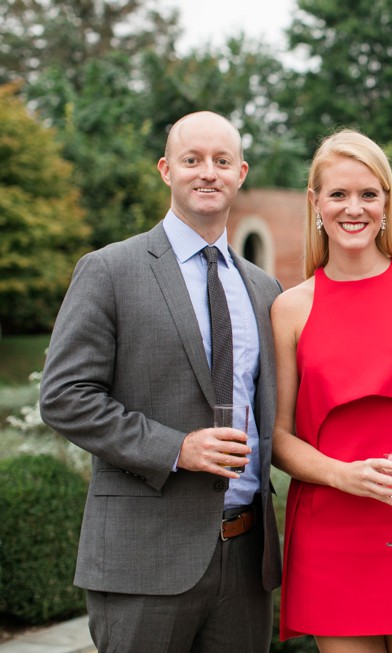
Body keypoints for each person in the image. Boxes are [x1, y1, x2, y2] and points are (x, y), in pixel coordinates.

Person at [39, 111, 282, 652]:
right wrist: (178, 448)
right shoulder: (110, 270)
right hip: (142, 559)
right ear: (165, 169)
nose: (207, 172)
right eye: (192, 159)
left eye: (222, 161)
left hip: (245, 560)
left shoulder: (264, 290)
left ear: (240, 173)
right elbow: (63, 397)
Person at [271, 129, 392, 653]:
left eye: (369, 194)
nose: (354, 208)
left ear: (387, 202)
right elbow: (279, 437)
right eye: (339, 194)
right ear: (315, 203)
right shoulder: (291, 308)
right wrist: (342, 475)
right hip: (332, 524)